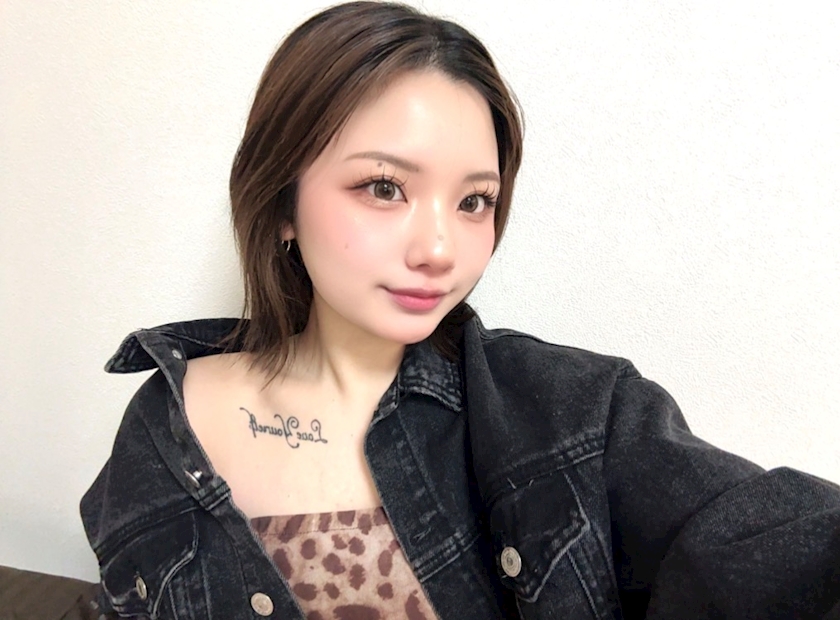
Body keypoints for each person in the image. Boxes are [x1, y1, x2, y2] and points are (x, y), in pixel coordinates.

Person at [79, 2, 840, 619]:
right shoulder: (166, 426)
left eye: (475, 200)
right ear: (282, 202)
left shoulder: (571, 414)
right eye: (384, 188)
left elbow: (771, 545)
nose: (440, 249)